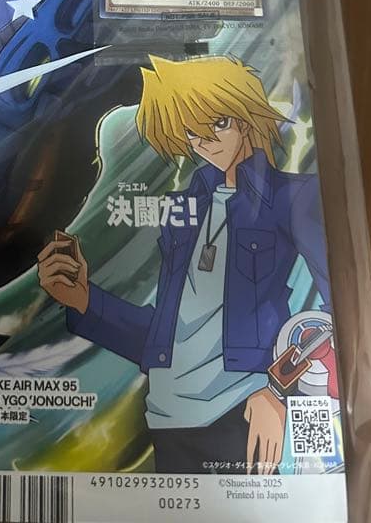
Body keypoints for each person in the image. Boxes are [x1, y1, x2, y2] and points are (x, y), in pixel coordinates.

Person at [37, 55, 333, 475]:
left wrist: (279, 390)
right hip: (168, 419)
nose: (206, 142)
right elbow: (169, 337)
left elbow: (340, 312)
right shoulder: (184, 210)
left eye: (219, 123)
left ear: (246, 116)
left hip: (244, 411)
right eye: (193, 132)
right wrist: (84, 300)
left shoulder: (293, 197)